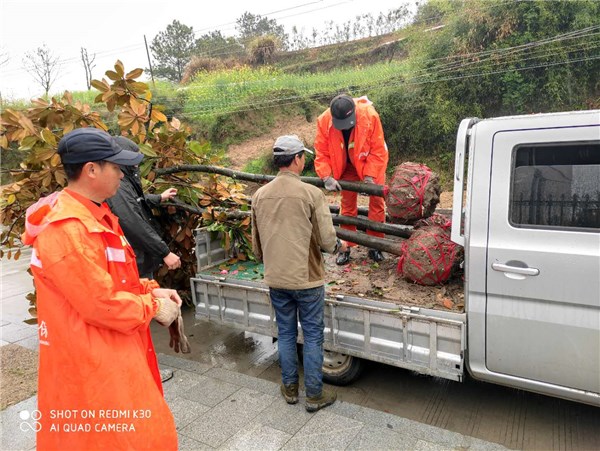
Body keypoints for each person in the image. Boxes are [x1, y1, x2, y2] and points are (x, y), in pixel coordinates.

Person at [22, 128, 180, 450]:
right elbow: (100, 303)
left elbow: (115, 278)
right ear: (91, 170)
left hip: (110, 352)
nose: (122, 174)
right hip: (92, 361)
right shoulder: (67, 231)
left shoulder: (97, 216)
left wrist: (151, 290)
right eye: (116, 166)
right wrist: (152, 306)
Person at [251, 135, 347, 413]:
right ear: (296, 159)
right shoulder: (311, 194)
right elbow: (327, 240)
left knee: (286, 333)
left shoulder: (259, 195)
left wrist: (267, 261)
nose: (304, 160)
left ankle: (290, 389)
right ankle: (314, 395)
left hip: (276, 278)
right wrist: (338, 246)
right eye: (303, 156)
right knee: (314, 335)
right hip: (306, 278)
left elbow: (256, 244)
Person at [314, 94, 389, 265]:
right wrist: (326, 176)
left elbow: (378, 150)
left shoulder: (370, 116)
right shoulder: (324, 121)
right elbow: (322, 151)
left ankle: (375, 245)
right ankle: (346, 247)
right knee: (347, 204)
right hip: (345, 166)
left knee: (376, 202)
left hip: (371, 162)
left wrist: (369, 176)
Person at [107, 136, 180, 279]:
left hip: (138, 259)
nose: (136, 164)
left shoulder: (125, 180)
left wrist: (159, 197)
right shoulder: (119, 185)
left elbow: (134, 201)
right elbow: (132, 222)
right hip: (133, 261)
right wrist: (164, 252)